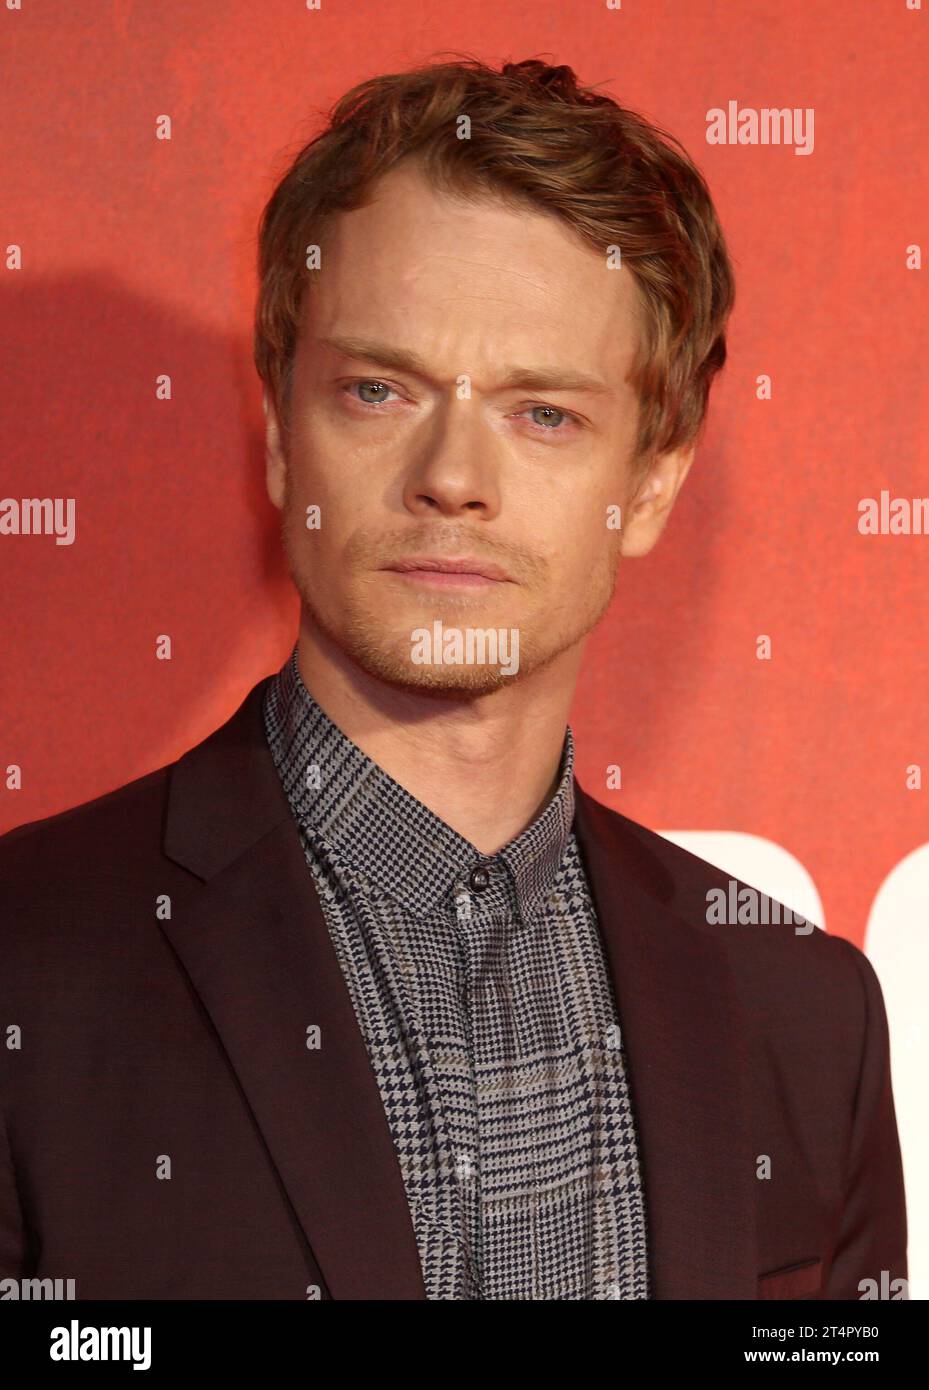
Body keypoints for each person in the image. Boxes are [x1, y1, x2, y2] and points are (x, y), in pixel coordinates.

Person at [0, 56, 907, 1300]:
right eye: (378, 389)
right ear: (278, 432)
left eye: (543, 414)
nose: (451, 474)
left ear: (649, 482)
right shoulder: (27, 964)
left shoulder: (807, 1019)